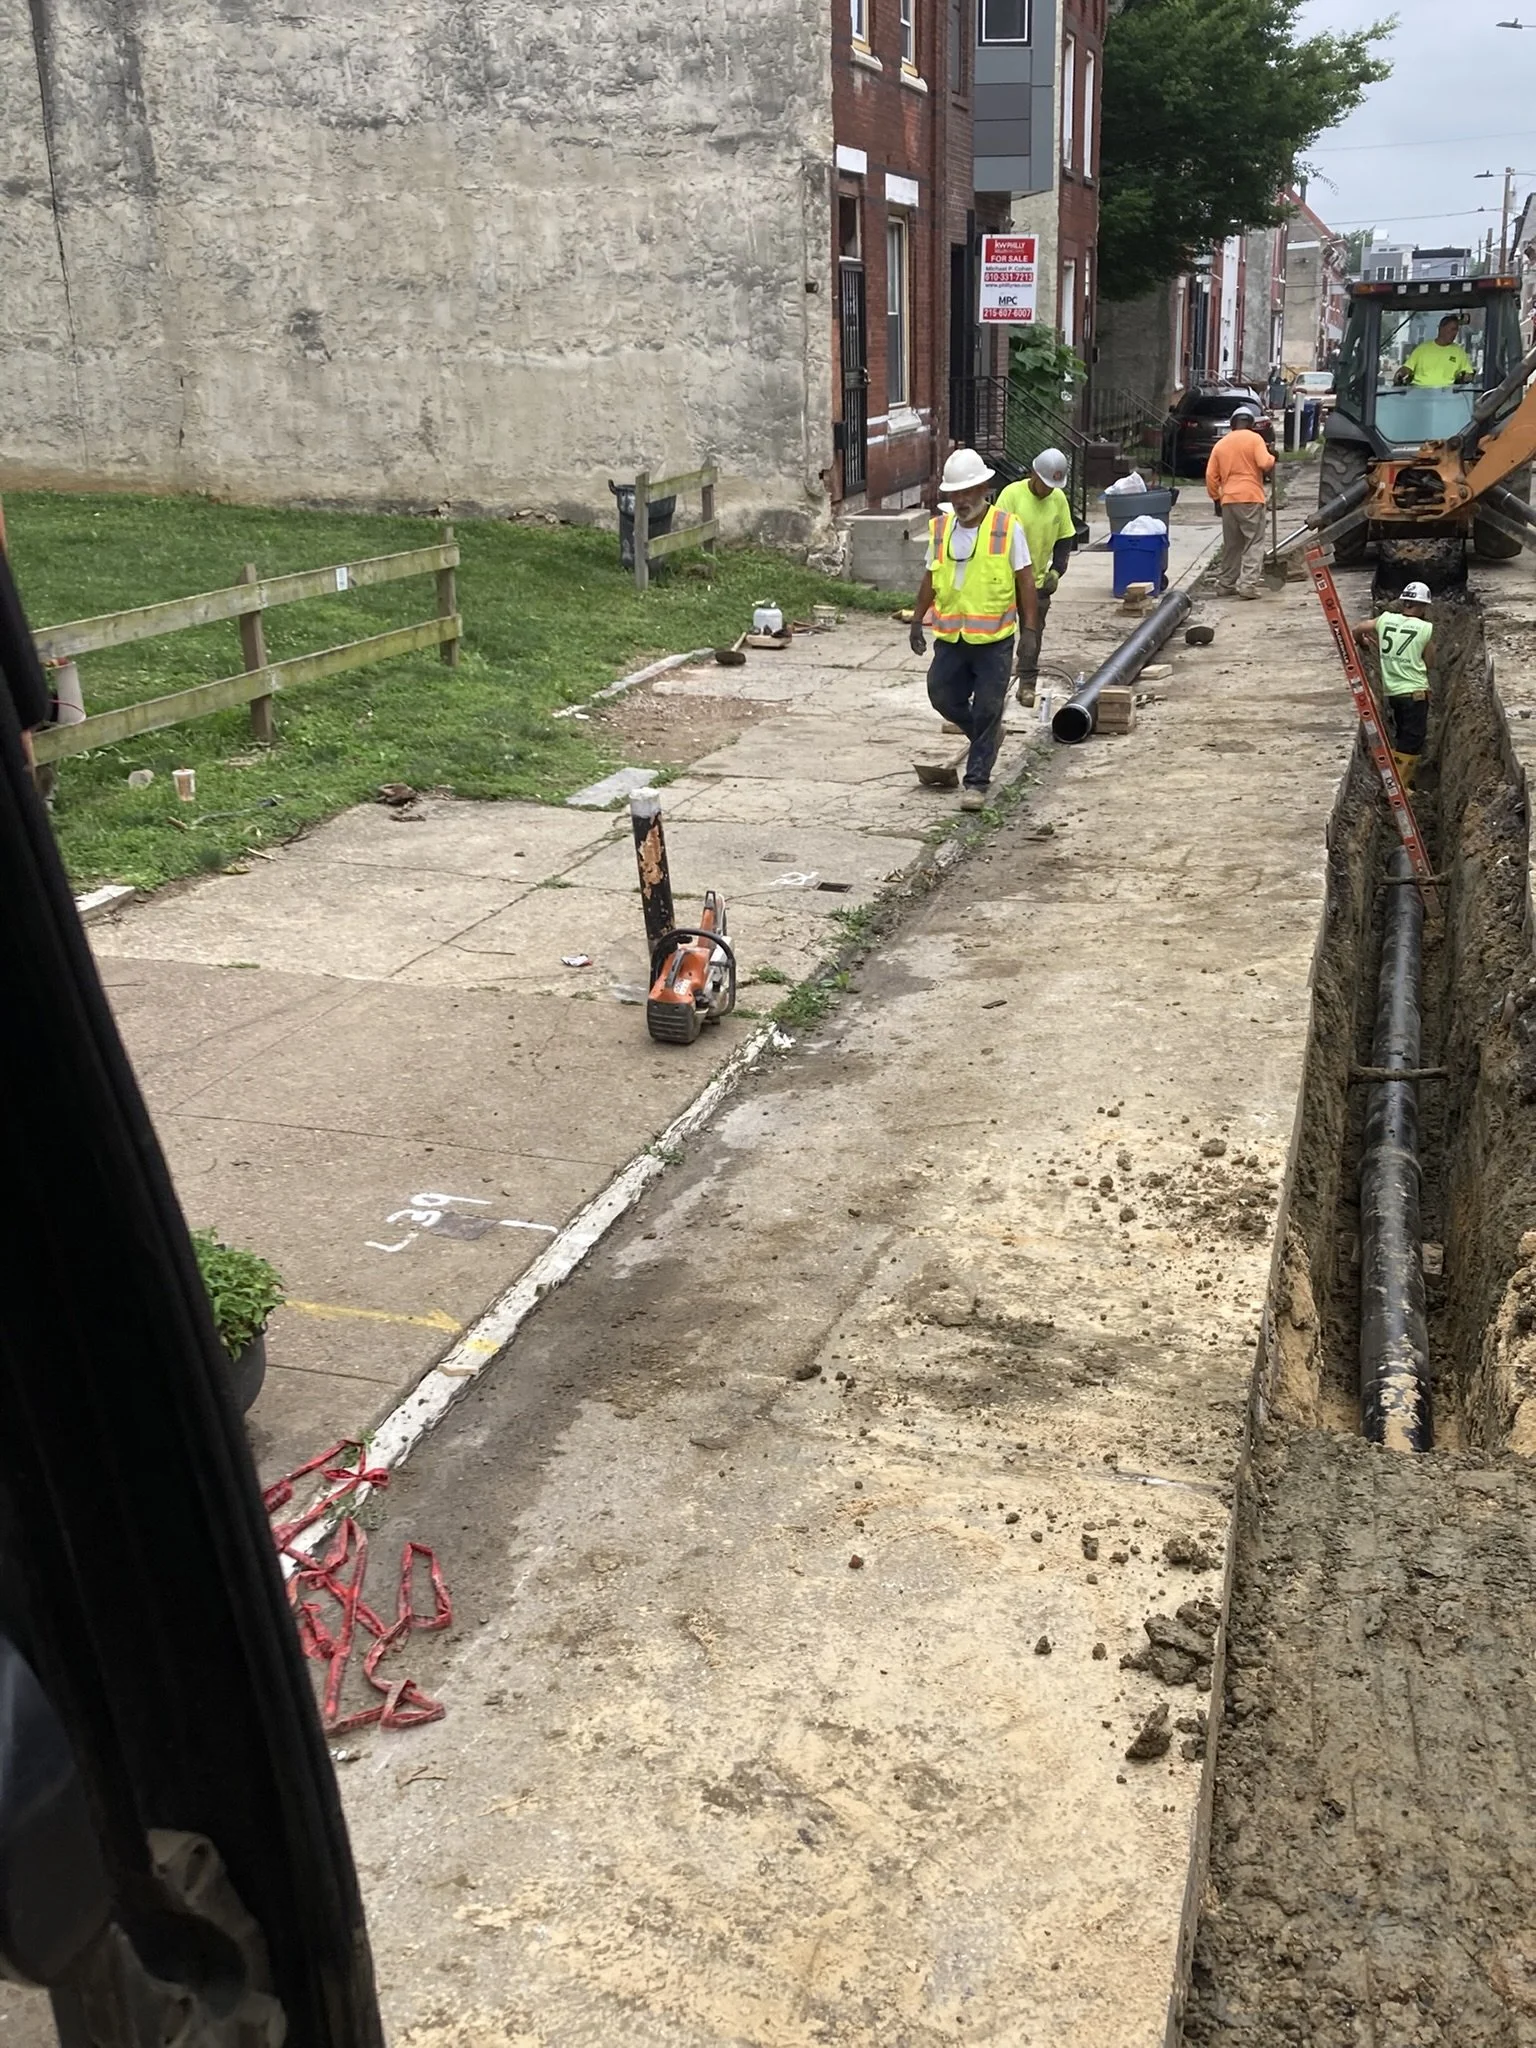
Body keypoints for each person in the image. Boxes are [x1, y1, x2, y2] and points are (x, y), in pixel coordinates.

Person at [910, 448, 1039, 812]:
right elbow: (931, 577)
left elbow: (1025, 580)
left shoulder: (1006, 527)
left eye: (968, 491)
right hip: (951, 637)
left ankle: (977, 782)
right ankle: (986, 738)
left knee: (988, 707)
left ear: (984, 487)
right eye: (955, 493)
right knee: (941, 696)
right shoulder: (940, 529)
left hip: (994, 641)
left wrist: (1030, 631)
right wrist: (918, 620)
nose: (962, 500)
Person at [995, 448, 1077, 705]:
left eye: (1054, 485)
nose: (1050, 490)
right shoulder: (1011, 495)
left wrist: (1057, 570)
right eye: (1046, 484)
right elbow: (995, 537)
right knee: (1000, 635)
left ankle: (1027, 685)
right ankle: (994, 685)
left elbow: (1065, 537)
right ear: (1033, 474)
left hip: (1038, 582)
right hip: (1007, 581)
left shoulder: (1058, 500)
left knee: (1032, 634)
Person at [1352, 580, 1434, 788]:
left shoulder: (1385, 619)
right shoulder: (1425, 628)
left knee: (1402, 732)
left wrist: (1363, 643)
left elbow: (1359, 628)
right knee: (1412, 740)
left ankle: (1397, 779)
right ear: (1423, 606)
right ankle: (1398, 786)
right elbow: (1430, 663)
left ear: (1404, 602)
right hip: (1415, 692)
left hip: (1393, 693)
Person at [1205, 404, 1277, 599]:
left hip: (1228, 499)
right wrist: (1272, 458)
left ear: (1232, 424)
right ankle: (1247, 585)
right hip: (1251, 497)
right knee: (1254, 541)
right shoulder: (1255, 439)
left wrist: (1216, 498)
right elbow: (1264, 463)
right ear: (1251, 424)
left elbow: (1211, 476)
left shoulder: (1221, 444)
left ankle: (1226, 584)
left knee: (1232, 544)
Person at [1395, 314, 1475, 388]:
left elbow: (1468, 373)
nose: (1455, 333)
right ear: (1441, 328)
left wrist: (1467, 377)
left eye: (1456, 330)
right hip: (1419, 392)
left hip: (1448, 394)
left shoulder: (1459, 352)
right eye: (1452, 329)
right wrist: (1401, 373)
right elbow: (1407, 368)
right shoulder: (1422, 349)